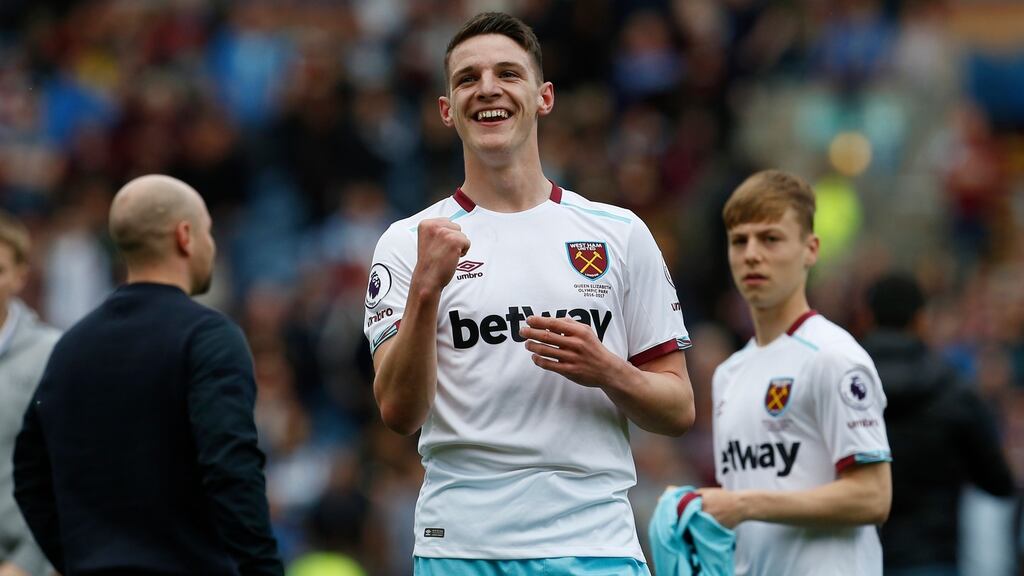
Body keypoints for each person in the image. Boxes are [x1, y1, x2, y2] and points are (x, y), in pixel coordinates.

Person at [363, 12, 695, 576]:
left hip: (594, 543)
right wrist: (425, 290)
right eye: (467, 79)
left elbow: (678, 408)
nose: (487, 88)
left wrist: (607, 369)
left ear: (543, 97)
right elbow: (399, 412)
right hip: (462, 547)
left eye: (508, 74)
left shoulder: (618, 233)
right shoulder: (408, 243)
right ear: (447, 110)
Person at [13, 175, 284, 576]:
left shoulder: (70, 347)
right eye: (208, 231)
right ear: (185, 236)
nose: (212, 245)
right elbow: (230, 467)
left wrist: (77, 561)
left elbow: (29, 476)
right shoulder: (208, 337)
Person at [697, 170, 892, 575]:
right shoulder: (728, 374)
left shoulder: (833, 357)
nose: (752, 253)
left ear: (810, 249)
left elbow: (873, 497)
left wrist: (744, 505)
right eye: (739, 241)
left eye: (770, 239)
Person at [863, 272, 1015, 576]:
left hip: (860, 557)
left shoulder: (845, 387)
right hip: (934, 557)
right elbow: (998, 481)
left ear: (867, 318)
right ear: (921, 320)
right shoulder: (953, 388)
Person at [0, 212, 59, 576]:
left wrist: (26, 563)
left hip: (24, 562)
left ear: (21, 275)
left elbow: (63, 468)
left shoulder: (52, 355)